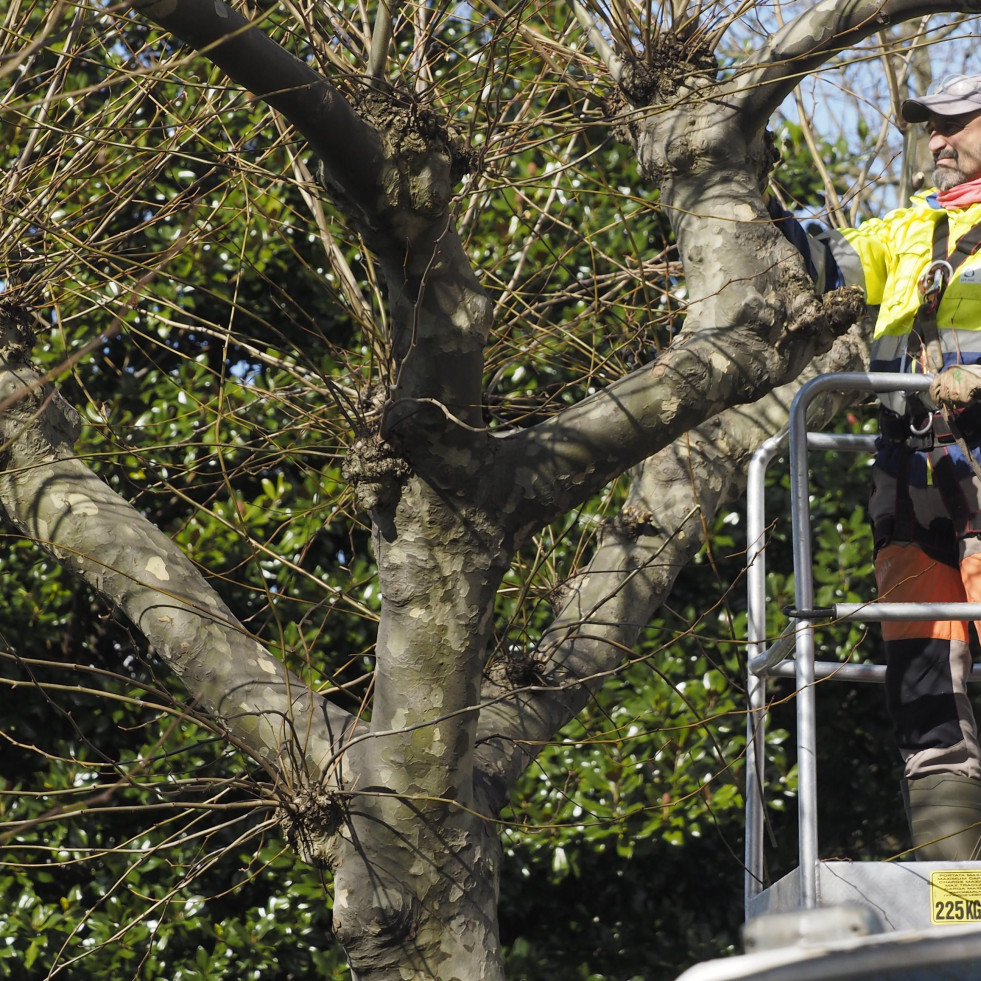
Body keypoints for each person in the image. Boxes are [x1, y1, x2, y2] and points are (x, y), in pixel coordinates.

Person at [782, 73, 981, 861]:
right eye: (929, 127)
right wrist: (757, 207)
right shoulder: (903, 228)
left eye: (956, 124)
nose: (936, 141)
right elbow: (828, 264)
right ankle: (958, 885)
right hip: (909, 472)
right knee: (923, 673)